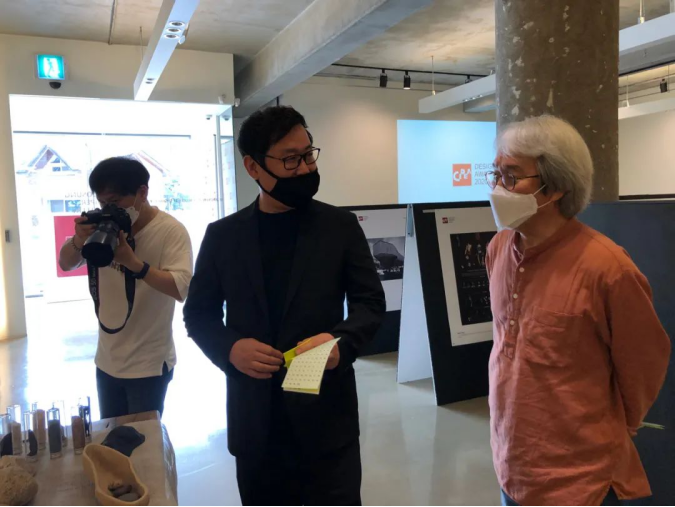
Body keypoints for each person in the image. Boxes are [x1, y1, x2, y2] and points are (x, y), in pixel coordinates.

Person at [183, 106, 386, 506]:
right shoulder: (223, 236)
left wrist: (340, 343)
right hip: (255, 421)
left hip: (327, 420)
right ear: (253, 167)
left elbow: (370, 303)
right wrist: (230, 348)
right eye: (291, 159)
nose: (305, 168)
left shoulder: (340, 227)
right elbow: (198, 313)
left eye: (308, 154)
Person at [485, 115, 671, 507]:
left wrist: (613, 426)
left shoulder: (608, 268)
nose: (498, 188)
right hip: (511, 462)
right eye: (496, 174)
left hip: (580, 478)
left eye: (511, 176)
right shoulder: (498, 249)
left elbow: (644, 364)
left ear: (556, 187)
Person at [59, 157, 193, 419]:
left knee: (144, 438)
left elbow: (181, 288)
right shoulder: (101, 228)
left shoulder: (170, 230)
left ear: (142, 192)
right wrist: (79, 239)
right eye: (102, 203)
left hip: (149, 365)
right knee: (112, 437)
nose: (109, 209)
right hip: (106, 361)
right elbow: (66, 263)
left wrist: (133, 263)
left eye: (115, 201)